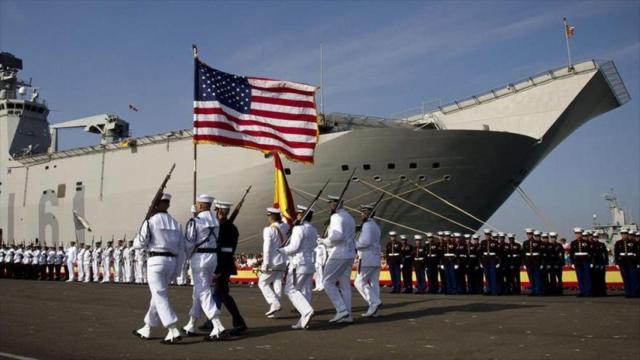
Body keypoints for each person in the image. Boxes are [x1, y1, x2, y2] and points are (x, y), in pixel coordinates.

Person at [132, 193, 186, 344]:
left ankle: (172, 329)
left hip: (156, 261)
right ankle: (148, 327)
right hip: (171, 262)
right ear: (167, 204)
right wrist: (177, 269)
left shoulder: (150, 221)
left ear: (156, 204)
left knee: (159, 295)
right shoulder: (176, 224)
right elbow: (181, 250)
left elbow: (140, 244)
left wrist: (137, 239)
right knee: (157, 296)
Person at [182, 194, 226, 340]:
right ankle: (191, 323)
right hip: (212, 257)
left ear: (200, 205)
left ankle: (217, 324)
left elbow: (189, 243)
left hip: (199, 258)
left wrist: (186, 256)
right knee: (199, 290)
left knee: (203, 291)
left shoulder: (196, 221)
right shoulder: (215, 220)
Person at [210, 200, 247, 335]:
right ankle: (211, 322)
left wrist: (217, 269)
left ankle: (239, 322)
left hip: (221, 264)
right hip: (226, 263)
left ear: (220, 212)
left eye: (217, 211)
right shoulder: (232, 227)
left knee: (223, 294)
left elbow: (220, 249)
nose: (216, 213)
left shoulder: (222, 227)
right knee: (218, 293)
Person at [318, 195, 357, 324]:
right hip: (350, 253)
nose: (330, 205)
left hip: (339, 253)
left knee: (327, 282)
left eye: (331, 203)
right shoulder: (350, 217)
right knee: (345, 284)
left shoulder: (336, 217)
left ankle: (341, 310)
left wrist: (323, 241)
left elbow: (337, 236)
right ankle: (348, 315)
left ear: (335, 204)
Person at [278, 205, 317, 329]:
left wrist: (280, 250)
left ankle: (307, 311)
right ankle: (303, 321)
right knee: (304, 291)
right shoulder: (313, 229)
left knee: (290, 289)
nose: (297, 216)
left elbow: (294, 247)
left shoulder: (298, 229)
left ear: (301, 215)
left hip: (298, 264)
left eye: (298, 214)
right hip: (309, 264)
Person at [354, 204, 382, 317]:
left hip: (367, 257)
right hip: (375, 258)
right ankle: (374, 309)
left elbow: (365, 243)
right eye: (362, 212)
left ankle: (374, 302)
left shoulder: (367, 225)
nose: (362, 214)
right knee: (374, 283)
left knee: (359, 282)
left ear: (369, 213)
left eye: (364, 212)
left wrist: (353, 244)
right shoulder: (376, 226)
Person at [258, 208, 287, 318]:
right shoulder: (284, 227)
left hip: (272, 261)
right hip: (283, 260)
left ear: (271, 217)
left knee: (262, 283)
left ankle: (274, 303)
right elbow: (286, 222)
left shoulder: (268, 230)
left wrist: (265, 263)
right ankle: (274, 310)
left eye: (268, 216)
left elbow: (267, 248)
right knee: (277, 283)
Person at [614, 228, 639, 297]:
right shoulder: (618, 243)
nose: (624, 235)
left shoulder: (633, 242)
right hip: (622, 263)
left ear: (627, 234)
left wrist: (637, 262)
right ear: (621, 235)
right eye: (623, 234)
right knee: (625, 278)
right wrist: (617, 263)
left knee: (633, 278)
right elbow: (616, 254)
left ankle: (634, 293)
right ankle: (628, 293)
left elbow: (637, 253)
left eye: (625, 234)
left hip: (632, 262)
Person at [570, 228, 592, 297]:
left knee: (587, 277)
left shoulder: (587, 242)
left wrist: (591, 262)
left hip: (585, 261)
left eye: (579, 233)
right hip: (577, 262)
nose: (577, 235)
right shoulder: (573, 243)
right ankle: (582, 291)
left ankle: (588, 291)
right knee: (580, 277)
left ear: (581, 234)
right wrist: (572, 263)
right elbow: (571, 254)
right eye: (576, 234)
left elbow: (591, 253)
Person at [480, 230, 501, 295]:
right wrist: (481, 262)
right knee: (487, 276)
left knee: (493, 276)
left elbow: (498, 253)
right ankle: (488, 290)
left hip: (493, 260)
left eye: (488, 235)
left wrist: (498, 262)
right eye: (486, 235)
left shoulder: (495, 242)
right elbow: (480, 253)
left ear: (490, 235)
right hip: (485, 260)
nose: (487, 236)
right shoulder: (483, 242)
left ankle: (494, 291)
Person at [522, 229, 542, 296]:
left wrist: (540, 262)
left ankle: (538, 291)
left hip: (536, 261)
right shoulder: (525, 243)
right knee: (531, 277)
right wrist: (524, 263)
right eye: (528, 234)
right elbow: (523, 254)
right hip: (528, 262)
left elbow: (540, 253)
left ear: (532, 234)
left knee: (537, 277)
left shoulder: (537, 242)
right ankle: (533, 290)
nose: (528, 235)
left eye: (530, 234)